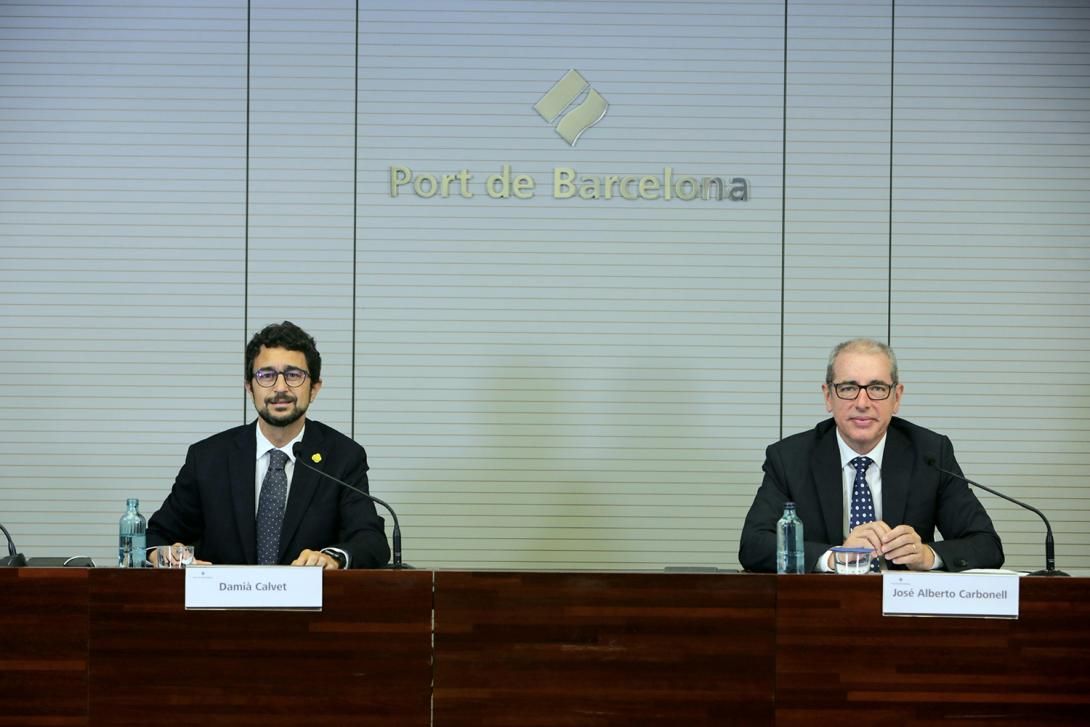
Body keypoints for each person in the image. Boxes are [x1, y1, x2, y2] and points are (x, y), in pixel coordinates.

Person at [739, 338, 1003, 573]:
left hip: (905, 613)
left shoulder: (930, 454)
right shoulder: (790, 458)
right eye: (848, 388)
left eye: (877, 388)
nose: (863, 403)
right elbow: (753, 545)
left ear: (896, 397)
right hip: (822, 610)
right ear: (828, 397)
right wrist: (834, 557)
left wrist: (928, 555)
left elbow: (986, 544)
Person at [146, 321, 390, 569]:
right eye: (266, 375)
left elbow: (371, 541)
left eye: (294, 375)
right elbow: (156, 537)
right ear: (249, 387)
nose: (280, 387)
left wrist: (332, 557)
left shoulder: (342, 457)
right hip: (225, 605)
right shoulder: (208, 458)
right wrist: (167, 556)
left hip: (310, 606)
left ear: (314, 388)